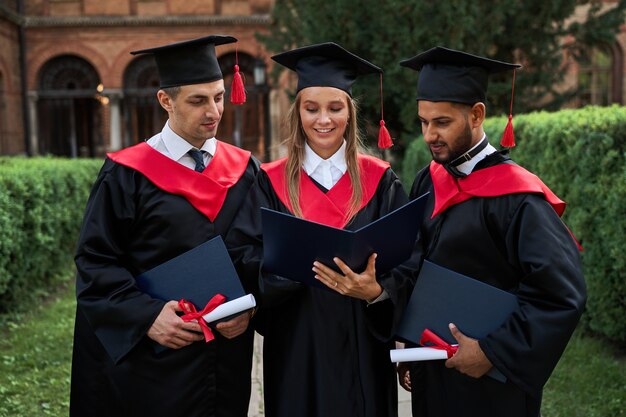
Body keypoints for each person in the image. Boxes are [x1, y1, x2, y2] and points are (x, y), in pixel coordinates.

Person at [70, 35, 260, 417]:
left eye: (219, 97)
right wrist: (146, 317)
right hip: (153, 363)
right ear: (165, 101)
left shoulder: (245, 170)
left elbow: (261, 252)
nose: (214, 111)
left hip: (224, 361)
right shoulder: (127, 174)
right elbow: (95, 262)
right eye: (198, 100)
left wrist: (252, 308)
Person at [396, 46, 587, 417]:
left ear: (477, 115)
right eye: (423, 121)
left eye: (442, 122)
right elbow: (415, 266)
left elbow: (562, 295)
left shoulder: (517, 198)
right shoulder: (429, 179)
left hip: (492, 385)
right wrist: (411, 346)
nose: (429, 135)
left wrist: (492, 352)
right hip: (433, 369)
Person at [226, 42, 414, 417]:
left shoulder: (380, 181)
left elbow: (410, 259)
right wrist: (287, 272)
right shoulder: (268, 181)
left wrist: (377, 291)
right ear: (297, 114)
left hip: (363, 342)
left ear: (350, 113)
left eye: (334, 108)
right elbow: (242, 255)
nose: (323, 120)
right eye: (311, 109)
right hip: (296, 343)